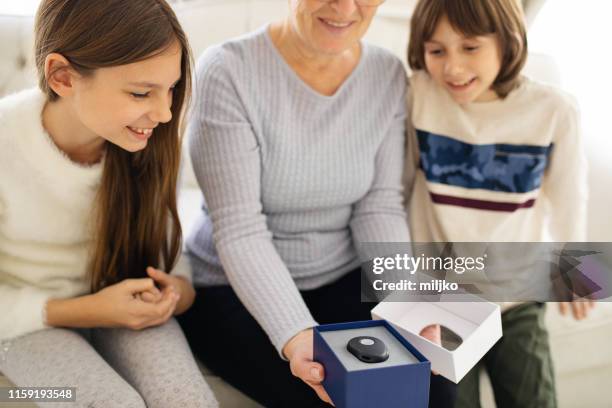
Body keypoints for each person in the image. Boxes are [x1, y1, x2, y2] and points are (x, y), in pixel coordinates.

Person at [179, 0, 456, 406]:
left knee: (434, 387)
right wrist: (295, 334)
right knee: (332, 397)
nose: (345, 7)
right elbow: (240, 228)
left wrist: (407, 302)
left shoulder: (386, 73)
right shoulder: (227, 70)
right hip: (232, 286)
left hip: (341, 274)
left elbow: (377, 207)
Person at [0, 0, 218, 406]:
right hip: (23, 324)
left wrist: (178, 291)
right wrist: (86, 311)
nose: (165, 113)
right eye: (140, 92)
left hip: (120, 302)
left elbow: (167, 251)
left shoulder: (147, 142)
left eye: (170, 89)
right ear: (62, 77)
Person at [404, 0, 594, 407]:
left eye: (470, 48)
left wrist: (580, 275)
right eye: (437, 51)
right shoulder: (419, 93)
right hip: (443, 300)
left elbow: (569, 197)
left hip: (517, 297)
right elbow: (397, 190)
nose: (452, 68)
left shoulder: (554, 109)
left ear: (507, 43)